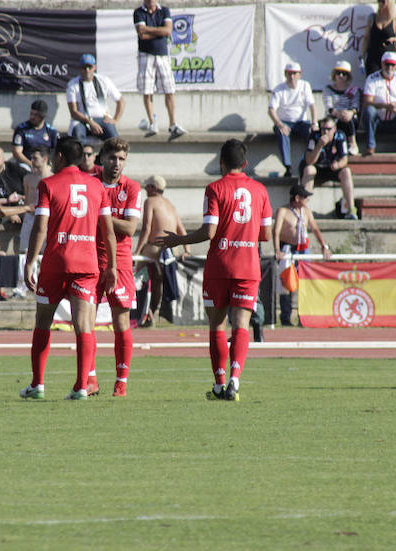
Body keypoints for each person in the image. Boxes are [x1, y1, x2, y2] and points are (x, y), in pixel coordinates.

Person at [155, 139, 272, 401]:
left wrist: (179, 240)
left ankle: (219, 384)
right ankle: (234, 380)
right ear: (245, 163)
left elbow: (209, 231)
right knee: (241, 325)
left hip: (220, 265)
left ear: (221, 163)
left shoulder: (215, 188)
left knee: (217, 326)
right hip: (248, 266)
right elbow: (265, 234)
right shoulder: (261, 191)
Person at [19, 136, 117, 400]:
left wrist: (30, 261)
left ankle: (38, 384)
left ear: (60, 157)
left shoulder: (48, 184)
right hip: (87, 263)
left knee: (43, 322)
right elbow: (108, 232)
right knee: (84, 326)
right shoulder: (97, 187)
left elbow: (40, 226)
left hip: (55, 262)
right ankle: (82, 386)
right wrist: (113, 266)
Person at [85, 138, 141, 397]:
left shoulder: (131, 187)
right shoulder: (90, 184)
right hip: (90, 259)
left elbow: (130, 227)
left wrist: (100, 214)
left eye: (121, 159)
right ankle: (91, 378)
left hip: (121, 262)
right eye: (112, 158)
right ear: (102, 157)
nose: (116, 163)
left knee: (121, 324)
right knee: (86, 322)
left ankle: (121, 382)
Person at [134, 174, 190, 327]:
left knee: (137, 278)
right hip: (171, 251)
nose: (145, 189)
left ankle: (140, 314)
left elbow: (146, 229)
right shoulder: (170, 204)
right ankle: (153, 312)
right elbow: (181, 229)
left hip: (155, 249)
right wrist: (187, 250)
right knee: (158, 283)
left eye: (147, 186)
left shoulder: (150, 201)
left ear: (153, 188)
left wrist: (137, 252)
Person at [273, 184, 331, 326]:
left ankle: (304, 316)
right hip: (288, 248)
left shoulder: (306, 211)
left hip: (303, 249)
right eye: (305, 197)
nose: (307, 200)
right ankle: (285, 316)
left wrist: (324, 246)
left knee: (305, 282)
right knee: (287, 283)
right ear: (297, 198)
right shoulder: (283, 211)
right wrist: (277, 250)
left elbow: (315, 228)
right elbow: (276, 232)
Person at [134, 0, 186, 138]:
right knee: (147, 90)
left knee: (169, 89)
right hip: (146, 54)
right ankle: (152, 121)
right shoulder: (138, 12)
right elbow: (141, 34)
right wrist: (160, 32)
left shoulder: (165, 10)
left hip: (163, 54)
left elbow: (168, 30)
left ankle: (172, 123)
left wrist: (151, 30)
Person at [361, 51, 396, 156]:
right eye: (387, 64)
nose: (389, 67)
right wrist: (385, 106)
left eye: (392, 64)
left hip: (395, 120)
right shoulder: (372, 78)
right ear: (382, 64)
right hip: (377, 120)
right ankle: (370, 146)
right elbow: (367, 102)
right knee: (369, 111)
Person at [300, 117, 357, 220]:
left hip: (332, 168)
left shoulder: (340, 136)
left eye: (328, 129)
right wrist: (319, 146)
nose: (325, 132)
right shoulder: (314, 136)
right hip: (316, 168)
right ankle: (303, 210)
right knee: (309, 169)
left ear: (334, 129)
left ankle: (351, 209)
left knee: (346, 171)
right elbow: (309, 161)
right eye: (323, 129)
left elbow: (345, 159)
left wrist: (338, 165)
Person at [268, 62, 317, 177]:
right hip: (285, 122)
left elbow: (312, 106)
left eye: (294, 73)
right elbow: (271, 109)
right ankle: (288, 166)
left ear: (300, 75)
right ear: (285, 74)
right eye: (289, 74)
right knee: (281, 132)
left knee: (314, 133)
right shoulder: (279, 89)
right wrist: (280, 124)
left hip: (302, 123)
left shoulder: (305, 86)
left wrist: (314, 123)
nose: (292, 76)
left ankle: (312, 161)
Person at [66, 53, 125, 142]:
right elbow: (74, 112)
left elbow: (121, 101)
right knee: (77, 137)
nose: (87, 70)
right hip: (82, 120)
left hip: (102, 119)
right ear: (80, 68)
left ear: (94, 67)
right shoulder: (72, 85)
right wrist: (90, 122)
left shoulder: (104, 80)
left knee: (115, 140)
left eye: (89, 67)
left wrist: (115, 120)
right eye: (84, 67)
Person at [360, 0, 396, 76]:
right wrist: (362, 55)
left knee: (389, 81)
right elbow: (366, 37)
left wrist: (393, 39)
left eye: (383, 1)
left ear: (390, 3)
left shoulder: (395, 20)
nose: (380, 3)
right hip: (373, 56)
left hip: (389, 56)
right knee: (373, 80)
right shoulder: (372, 17)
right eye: (379, 1)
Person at [322, 60, 361, 156]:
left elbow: (355, 106)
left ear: (348, 76)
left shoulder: (353, 90)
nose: (341, 76)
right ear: (334, 75)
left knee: (348, 120)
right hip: (334, 117)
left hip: (349, 118)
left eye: (344, 74)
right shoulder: (328, 89)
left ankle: (352, 144)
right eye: (338, 73)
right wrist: (339, 114)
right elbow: (329, 106)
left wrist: (350, 113)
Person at [19, 146, 51, 253]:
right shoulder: (28, 178)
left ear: (45, 159)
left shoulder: (53, 178)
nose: (32, 161)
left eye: (35, 158)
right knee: (24, 250)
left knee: (44, 251)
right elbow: (27, 199)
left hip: (46, 217)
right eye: (31, 158)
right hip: (30, 216)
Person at [12, 99, 58, 167]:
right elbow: (17, 152)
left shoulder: (51, 131)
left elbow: (56, 151)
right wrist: (31, 164)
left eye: (36, 115)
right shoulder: (22, 129)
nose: (32, 117)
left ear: (43, 116)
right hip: (27, 165)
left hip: (45, 165)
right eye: (31, 113)